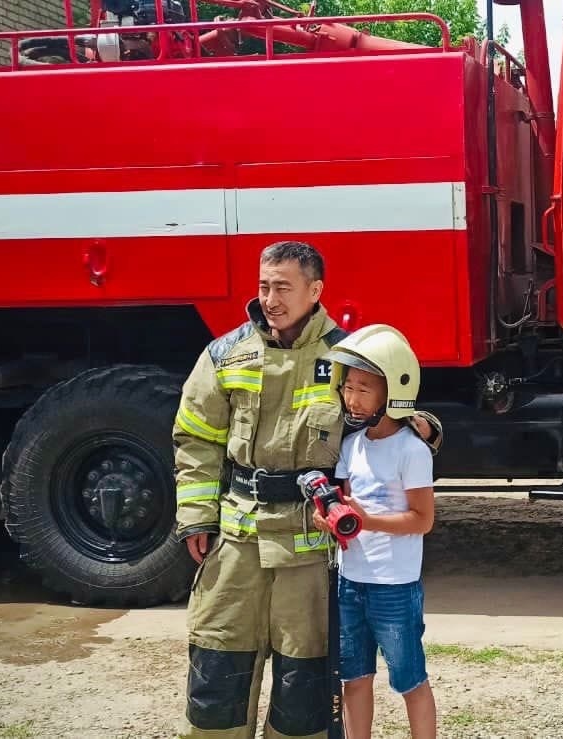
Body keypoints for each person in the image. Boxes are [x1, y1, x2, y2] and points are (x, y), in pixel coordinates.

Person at [172, 241, 443, 739]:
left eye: (283, 287)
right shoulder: (225, 354)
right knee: (217, 665)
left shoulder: (345, 355)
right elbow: (196, 437)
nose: (270, 299)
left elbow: (384, 405)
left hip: (309, 547)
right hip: (237, 542)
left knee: (306, 683)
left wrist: (420, 424)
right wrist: (195, 517)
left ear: (315, 290)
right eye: (263, 286)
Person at [314, 324, 438, 739]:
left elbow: (423, 520)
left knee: (410, 681)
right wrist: (332, 521)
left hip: (394, 588)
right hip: (352, 583)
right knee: (355, 680)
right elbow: (350, 510)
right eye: (348, 386)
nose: (352, 397)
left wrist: (369, 521)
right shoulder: (352, 447)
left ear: (393, 392)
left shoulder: (412, 450)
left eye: (364, 388)